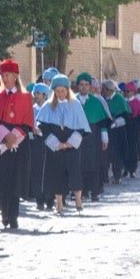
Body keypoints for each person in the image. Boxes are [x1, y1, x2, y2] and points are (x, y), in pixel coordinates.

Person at [0, 60, 34, 229]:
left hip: (19, 143)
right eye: (3, 75)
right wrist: (5, 136)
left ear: (15, 76)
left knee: (16, 179)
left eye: (8, 75)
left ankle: (13, 216)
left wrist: (15, 136)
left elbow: (28, 122)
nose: (5, 78)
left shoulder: (26, 97)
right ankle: (4, 212)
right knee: (2, 179)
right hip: (1, 141)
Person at [35, 75, 89, 213]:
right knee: (56, 174)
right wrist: (55, 143)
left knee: (75, 172)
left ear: (68, 90)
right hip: (55, 146)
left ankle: (78, 200)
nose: (60, 94)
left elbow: (81, 127)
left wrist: (71, 143)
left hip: (72, 145)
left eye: (63, 91)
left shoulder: (75, 104)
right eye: (57, 91)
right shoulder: (48, 106)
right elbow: (43, 126)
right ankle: (58, 202)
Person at [74, 73, 109, 198]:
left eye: (86, 85)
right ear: (78, 86)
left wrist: (105, 137)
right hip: (76, 135)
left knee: (93, 164)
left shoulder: (96, 102)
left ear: (90, 87)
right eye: (81, 84)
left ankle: (94, 191)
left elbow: (102, 122)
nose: (84, 87)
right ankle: (80, 191)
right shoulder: (72, 101)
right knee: (78, 164)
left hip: (93, 136)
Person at [101, 79, 131, 184]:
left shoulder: (119, 99)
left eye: (104, 89)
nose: (102, 91)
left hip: (117, 132)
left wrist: (116, 123)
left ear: (109, 90)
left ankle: (117, 175)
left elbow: (126, 116)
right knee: (105, 155)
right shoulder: (104, 99)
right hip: (106, 129)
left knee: (116, 155)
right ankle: (104, 176)